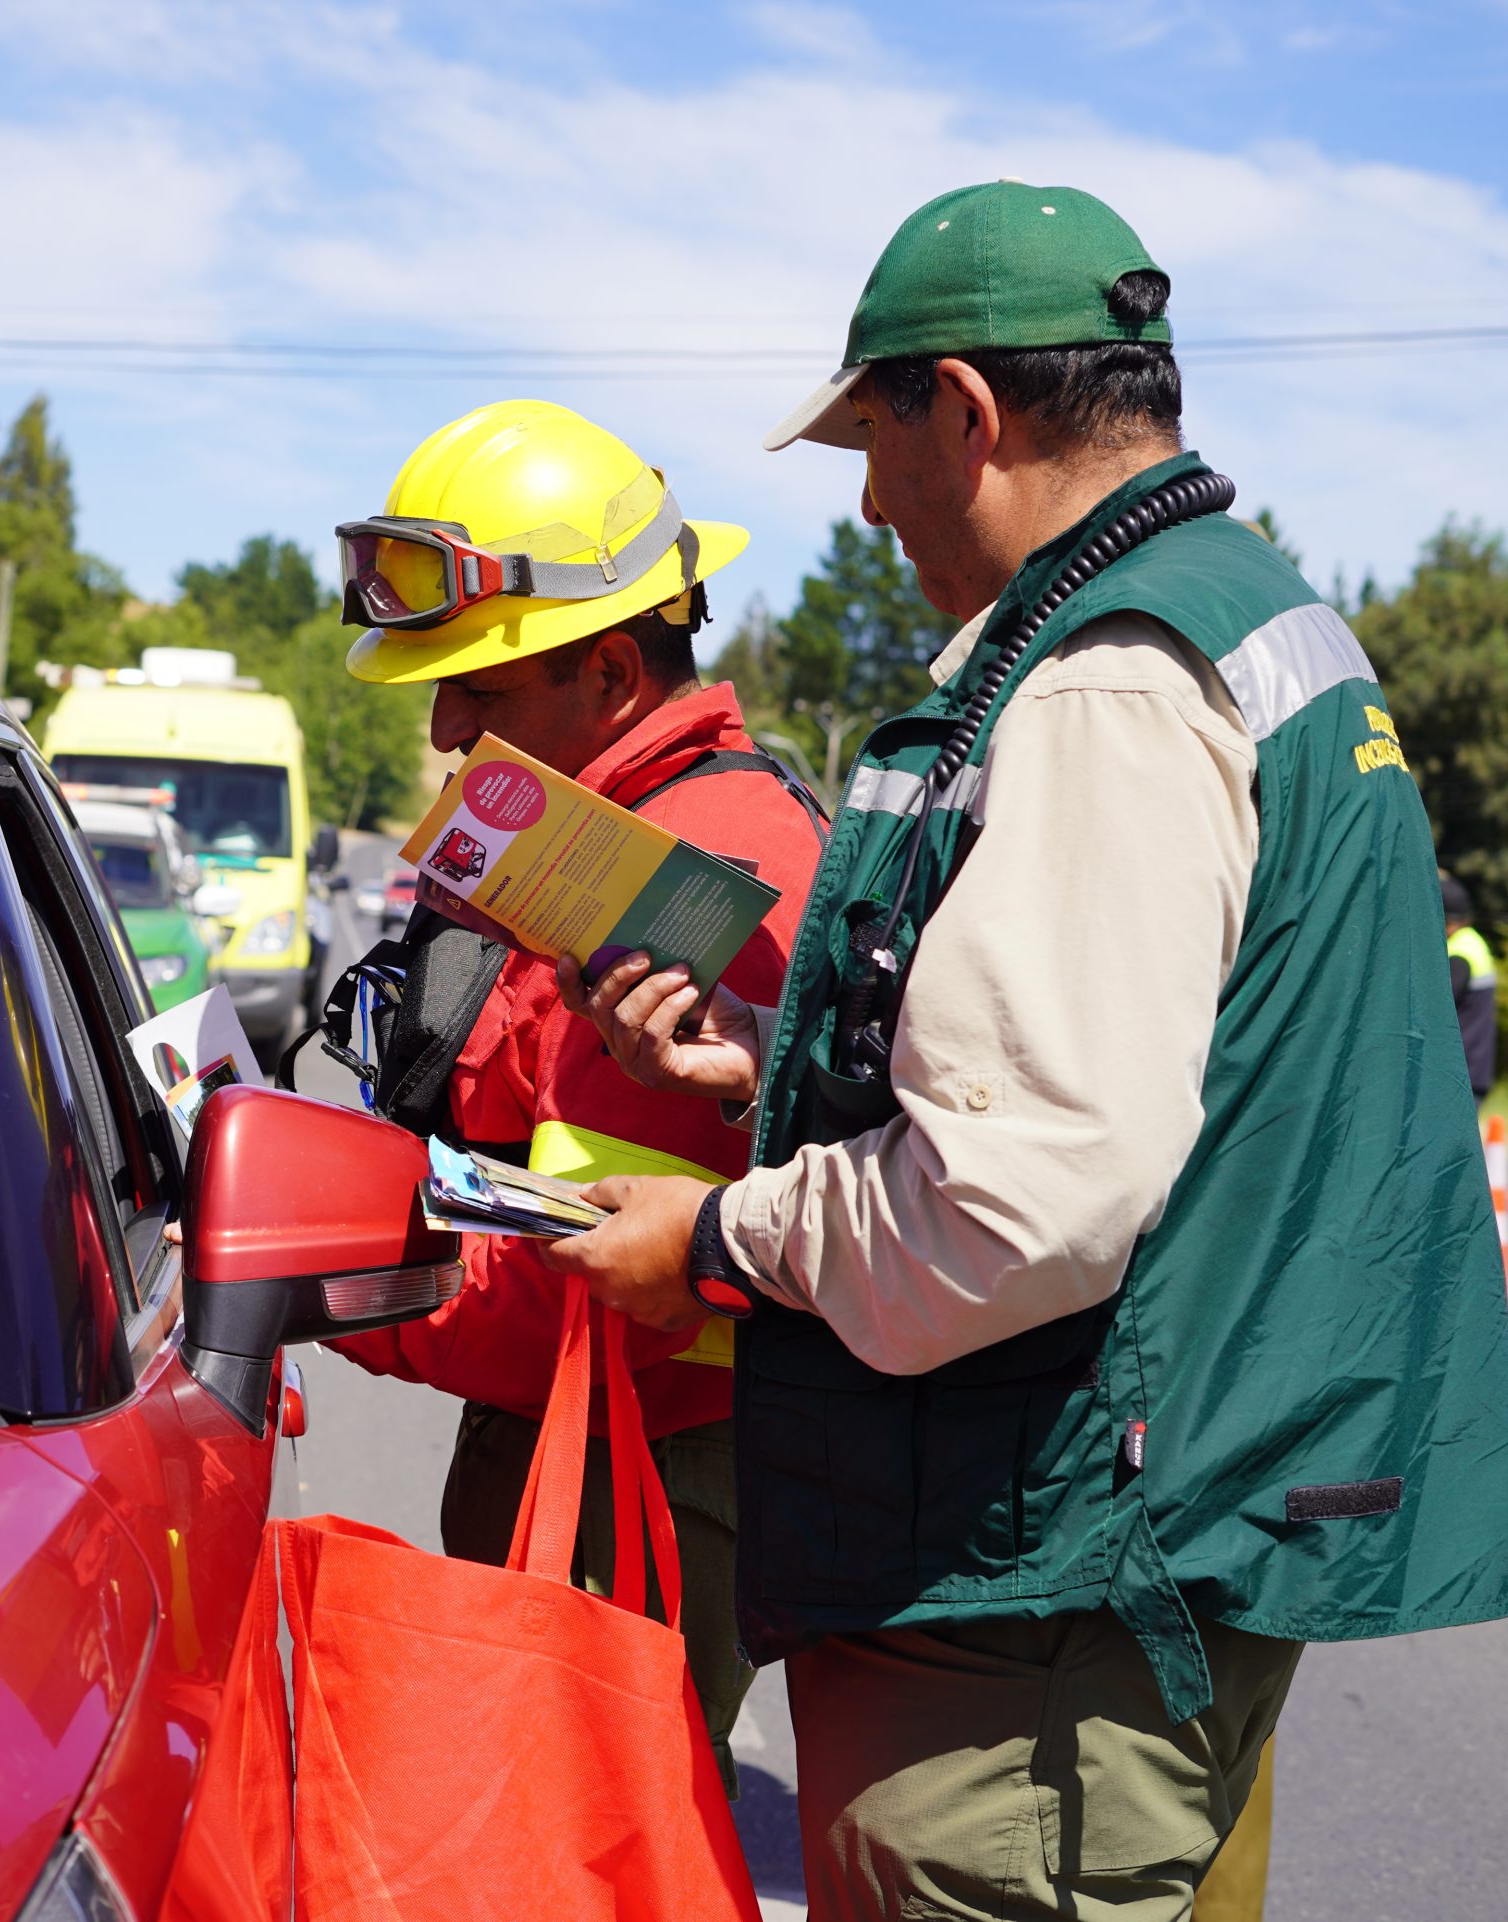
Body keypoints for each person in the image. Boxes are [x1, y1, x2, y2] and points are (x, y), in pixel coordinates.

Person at [540, 182, 1508, 1920]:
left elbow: (1015, 1200)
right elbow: (1173, 1075)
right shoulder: (1253, 616)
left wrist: (706, 1236)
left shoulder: (1101, 677)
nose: (863, 495)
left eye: (871, 431)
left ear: (967, 412)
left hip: (1042, 1603)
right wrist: (774, 1065)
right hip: (1183, 1529)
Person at [315, 399, 826, 1794]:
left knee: (566, 1833)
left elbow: (588, 1270)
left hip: (633, 1474)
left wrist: (316, 1278)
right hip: (570, 1440)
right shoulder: (583, 826)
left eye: (475, 691)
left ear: (608, 669)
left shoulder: (706, 880)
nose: (438, 729)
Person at [1443, 873, 1496, 1098]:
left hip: (1460, 1072)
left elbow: (1440, 1008)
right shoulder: (1474, 942)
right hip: (1476, 1065)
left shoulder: (1458, 954)